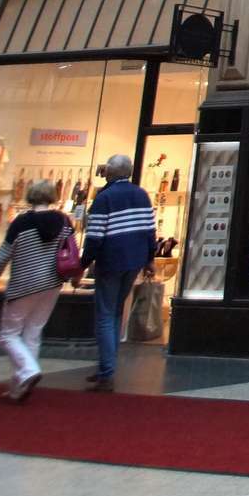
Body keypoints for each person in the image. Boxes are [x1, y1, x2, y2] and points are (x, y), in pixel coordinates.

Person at [0, 180, 71, 403]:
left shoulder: (21, 223)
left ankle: (28, 371)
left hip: (23, 284)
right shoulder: (64, 221)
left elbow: (1, 258)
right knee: (33, 332)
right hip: (52, 284)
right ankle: (19, 387)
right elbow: (70, 251)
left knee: (8, 335)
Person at [82, 154, 156, 392]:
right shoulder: (141, 194)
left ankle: (107, 371)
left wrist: (84, 263)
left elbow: (94, 236)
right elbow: (150, 229)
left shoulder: (105, 197)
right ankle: (108, 365)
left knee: (105, 313)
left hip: (111, 260)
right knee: (114, 312)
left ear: (111, 172)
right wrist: (150, 258)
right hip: (134, 260)